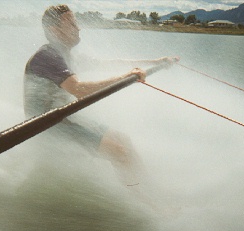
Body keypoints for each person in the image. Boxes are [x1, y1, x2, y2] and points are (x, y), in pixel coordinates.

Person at [24, 4, 177, 185]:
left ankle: (151, 188)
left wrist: (155, 62)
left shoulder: (67, 56)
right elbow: (79, 89)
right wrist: (128, 77)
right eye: (72, 24)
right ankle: (151, 206)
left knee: (123, 139)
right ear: (54, 30)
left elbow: (109, 63)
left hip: (63, 117)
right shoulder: (47, 56)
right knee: (120, 152)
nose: (78, 28)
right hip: (46, 125)